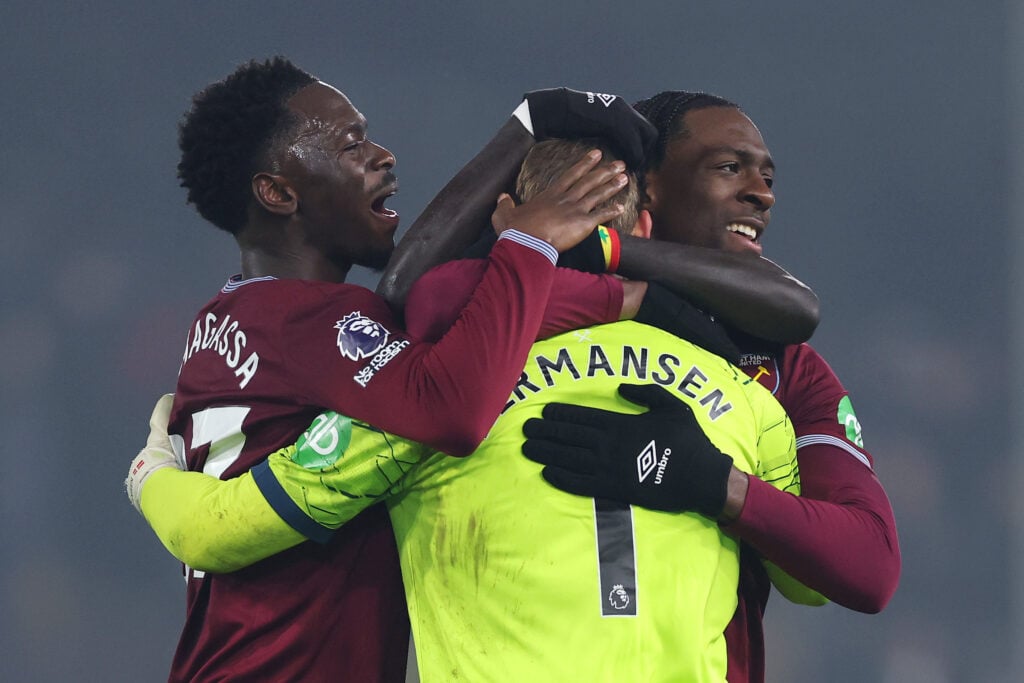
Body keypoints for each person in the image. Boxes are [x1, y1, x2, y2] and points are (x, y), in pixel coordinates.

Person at [130, 137, 826, 682]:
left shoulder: (436, 392)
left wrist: (150, 472)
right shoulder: (745, 396)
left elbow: (217, 529)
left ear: (505, 223)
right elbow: (815, 576)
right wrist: (716, 486)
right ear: (642, 227)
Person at [138, 56, 655, 682]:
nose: (383, 156)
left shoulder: (227, 320)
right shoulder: (312, 319)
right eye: (351, 144)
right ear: (278, 192)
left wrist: (531, 124)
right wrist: (535, 243)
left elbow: (418, 295)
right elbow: (452, 407)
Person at [525, 91, 902, 682]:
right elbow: (420, 293)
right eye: (729, 167)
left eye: (767, 178)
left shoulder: (787, 370)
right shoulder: (523, 305)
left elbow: (870, 566)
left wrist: (712, 483)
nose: (762, 193)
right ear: (644, 185)